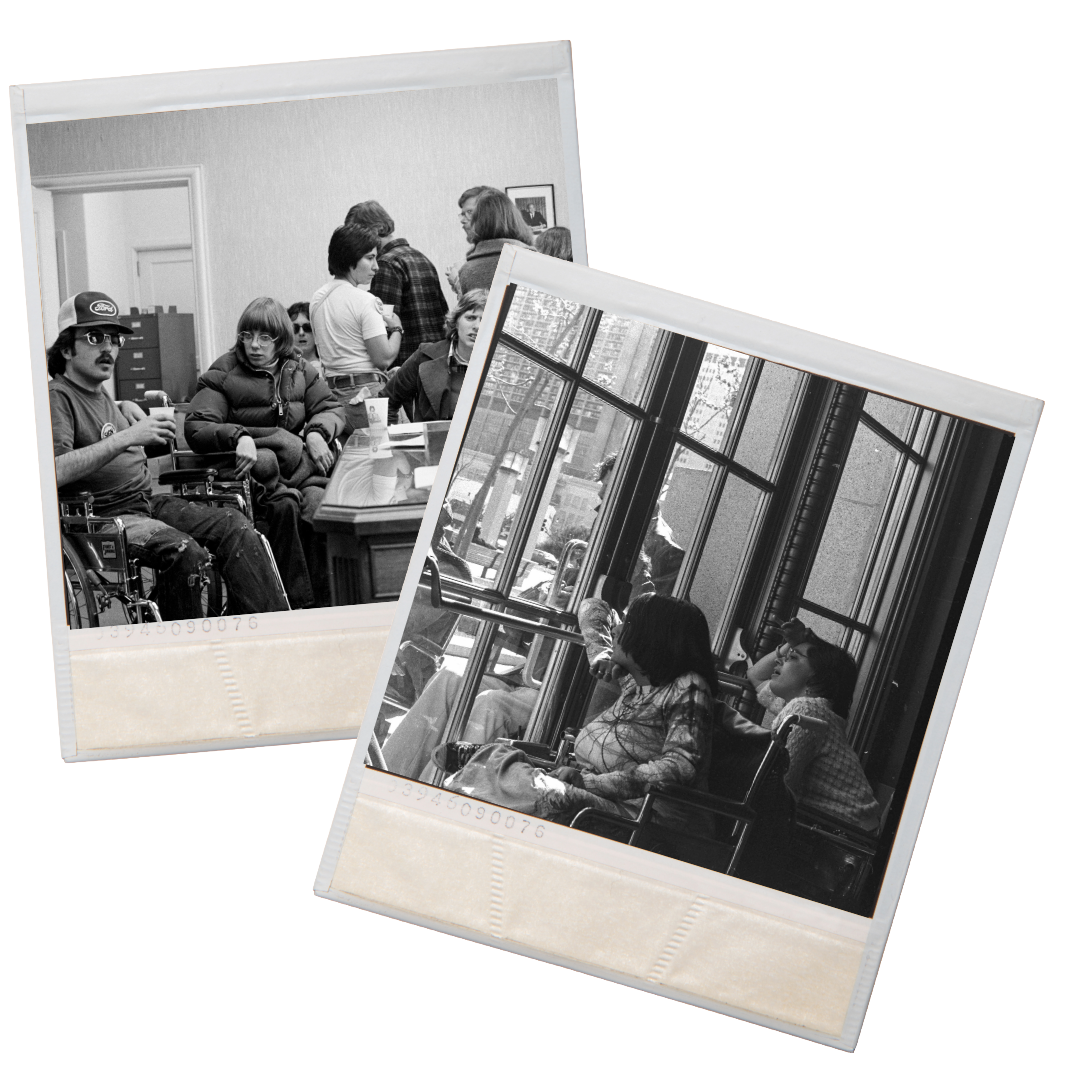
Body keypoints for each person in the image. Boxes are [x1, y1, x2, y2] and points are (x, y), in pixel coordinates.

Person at [48, 291, 289, 619]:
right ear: (65, 347)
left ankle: (266, 630)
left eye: (114, 338)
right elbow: (54, 471)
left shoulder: (99, 392)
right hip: (102, 518)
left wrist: (121, 408)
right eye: (94, 337)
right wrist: (128, 437)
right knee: (184, 553)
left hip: (143, 503)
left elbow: (97, 426)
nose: (108, 348)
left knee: (235, 524)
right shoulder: (57, 397)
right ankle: (182, 654)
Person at [434, 593, 716, 835]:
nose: (616, 632)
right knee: (499, 758)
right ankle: (492, 767)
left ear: (651, 637)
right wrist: (601, 656)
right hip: (595, 797)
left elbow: (681, 767)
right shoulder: (637, 682)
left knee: (530, 787)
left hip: (643, 818)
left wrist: (589, 782)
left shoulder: (688, 686)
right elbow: (593, 607)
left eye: (628, 625)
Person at [185, 297, 347, 609]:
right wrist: (239, 435)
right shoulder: (224, 371)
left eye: (264, 337)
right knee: (285, 506)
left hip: (296, 470)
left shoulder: (299, 369)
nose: (254, 345)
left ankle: (328, 604)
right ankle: (292, 604)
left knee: (320, 507)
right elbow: (197, 425)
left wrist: (317, 432)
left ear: (281, 340)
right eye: (247, 336)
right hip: (253, 475)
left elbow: (330, 408)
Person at [742, 619, 881, 831]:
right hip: (849, 830)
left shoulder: (805, 710)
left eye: (792, 657)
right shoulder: (806, 708)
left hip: (846, 839)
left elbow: (778, 783)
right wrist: (796, 642)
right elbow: (755, 674)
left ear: (816, 678)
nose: (778, 661)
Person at [309, 223, 405, 433]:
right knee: (387, 462)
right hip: (367, 396)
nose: (376, 267)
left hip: (331, 399)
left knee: (351, 464)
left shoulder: (316, 299)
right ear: (350, 258)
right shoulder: (365, 300)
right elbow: (383, 358)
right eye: (370, 258)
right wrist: (397, 329)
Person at [344, 201, 449, 368]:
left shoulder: (385, 264)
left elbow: (382, 326)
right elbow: (444, 314)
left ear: (376, 229)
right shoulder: (421, 257)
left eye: (359, 236)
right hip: (437, 362)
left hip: (405, 367)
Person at [381, 289, 487, 423]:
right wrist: (396, 441)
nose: (477, 326)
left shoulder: (499, 367)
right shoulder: (425, 355)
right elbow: (386, 402)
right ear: (456, 321)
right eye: (470, 318)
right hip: (430, 442)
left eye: (485, 320)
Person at [456, 190, 534, 294]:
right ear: (515, 218)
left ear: (478, 223)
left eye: (470, 213)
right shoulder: (534, 259)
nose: (463, 220)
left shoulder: (467, 271)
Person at [446, 185, 500, 296]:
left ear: (490, 214)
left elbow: (480, 308)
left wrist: (457, 280)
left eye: (470, 212)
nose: (462, 220)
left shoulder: (503, 255)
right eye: (462, 214)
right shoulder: (478, 254)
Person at [287, 302, 320, 376]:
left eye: (307, 327)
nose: (301, 333)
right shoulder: (282, 369)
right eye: (295, 328)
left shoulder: (329, 368)